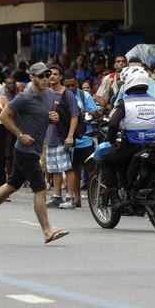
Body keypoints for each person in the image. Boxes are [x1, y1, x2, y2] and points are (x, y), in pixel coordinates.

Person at [0, 62, 69, 244]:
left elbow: (42, 117)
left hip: (34, 149)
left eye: (47, 75)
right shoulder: (24, 97)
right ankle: (47, 230)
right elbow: (4, 116)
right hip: (25, 150)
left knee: (12, 185)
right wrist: (20, 134)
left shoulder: (49, 94)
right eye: (41, 76)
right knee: (40, 189)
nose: (45, 79)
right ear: (32, 77)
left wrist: (52, 119)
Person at [101, 71, 155, 214]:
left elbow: (113, 124)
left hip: (132, 147)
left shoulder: (125, 102)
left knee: (105, 161)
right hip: (154, 146)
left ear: (129, 84)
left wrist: (112, 141)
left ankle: (116, 201)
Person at [62, 71, 100, 208]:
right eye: (68, 86)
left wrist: (82, 111)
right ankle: (76, 199)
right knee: (74, 170)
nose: (71, 88)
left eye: (73, 85)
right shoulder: (62, 97)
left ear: (77, 83)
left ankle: (95, 197)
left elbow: (96, 114)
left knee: (91, 168)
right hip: (69, 140)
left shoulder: (85, 96)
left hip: (85, 139)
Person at [44, 65, 79, 209]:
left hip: (63, 137)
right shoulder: (45, 93)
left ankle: (70, 197)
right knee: (54, 169)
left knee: (67, 168)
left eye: (55, 74)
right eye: (49, 74)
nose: (52, 76)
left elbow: (74, 116)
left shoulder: (67, 94)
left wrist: (70, 136)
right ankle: (56, 196)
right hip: (49, 137)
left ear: (61, 77)